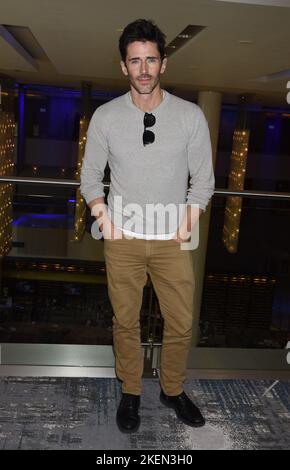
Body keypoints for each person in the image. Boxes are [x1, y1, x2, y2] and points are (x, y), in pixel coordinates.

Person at [80, 18, 215, 433]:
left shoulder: (190, 116)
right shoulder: (105, 116)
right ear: (124, 66)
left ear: (163, 64)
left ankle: (172, 390)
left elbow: (204, 181)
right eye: (135, 61)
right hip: (122, 240)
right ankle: (132, 391)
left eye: (150, 60)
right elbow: (90, 177)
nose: (143, 69)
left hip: (173, 241)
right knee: (126, 322)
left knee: (181, 324)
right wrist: (105, 218)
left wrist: (186, 222)